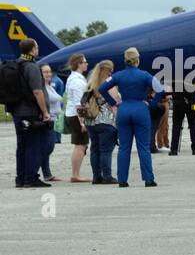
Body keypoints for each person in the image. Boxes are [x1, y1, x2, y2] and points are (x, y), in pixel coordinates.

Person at [98, 47, 161, 187]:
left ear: (125, 60)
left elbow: (102, 88)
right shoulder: (144, 75)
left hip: (124, 109)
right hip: (140, 109)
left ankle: (122, 180)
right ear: (138, 60)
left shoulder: (118, 76)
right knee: (143, 147)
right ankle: (148, 179)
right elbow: (160, 89)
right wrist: (152, 103)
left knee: (124, 147)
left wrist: (113, 102)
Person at [7, 38, 52, 188]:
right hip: (31, 112)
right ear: (33, 50)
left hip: (17, 111)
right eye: (37, 47)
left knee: (22, 145)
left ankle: (21, 178)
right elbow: (37, 91)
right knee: (35, 144)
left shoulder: (16, 65)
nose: (38, 50)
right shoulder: (31, 67)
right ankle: (31, 177)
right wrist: (45, 112)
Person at [82, 60, 118, 184]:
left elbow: (83, 102)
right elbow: (114, 105)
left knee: (95, 149)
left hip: (91, 121)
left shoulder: (89, 85)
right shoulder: (109, 85)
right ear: (108, 71)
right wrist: (118, 121)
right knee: (106, 150)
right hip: (106, 121)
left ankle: (96, 176)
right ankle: (107, 176)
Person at [62, 54, 92, 183]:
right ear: (79, 64)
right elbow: (79, 104)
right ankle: (75, 174)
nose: (87, 64)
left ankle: (76, 173)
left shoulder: (73, 78)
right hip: (76, 116)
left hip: (73, 114)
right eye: (85, 62)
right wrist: (83, 121)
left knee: (81, 144)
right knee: (80, 145)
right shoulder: (77, 81)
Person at [40, 64, 64, 181]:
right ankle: (39, 171)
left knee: (48, 147)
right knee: (47, 147)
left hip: (54, 121)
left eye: (49, 72)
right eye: (45, 72)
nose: (48, 74)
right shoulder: (40, 88)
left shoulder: (49, 86)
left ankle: (47, 173)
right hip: (47, 121)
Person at [169, 78, 195, 156]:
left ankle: (174, 149)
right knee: (193, 125)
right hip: (190, 101)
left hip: (178, 101)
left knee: (176, 126)